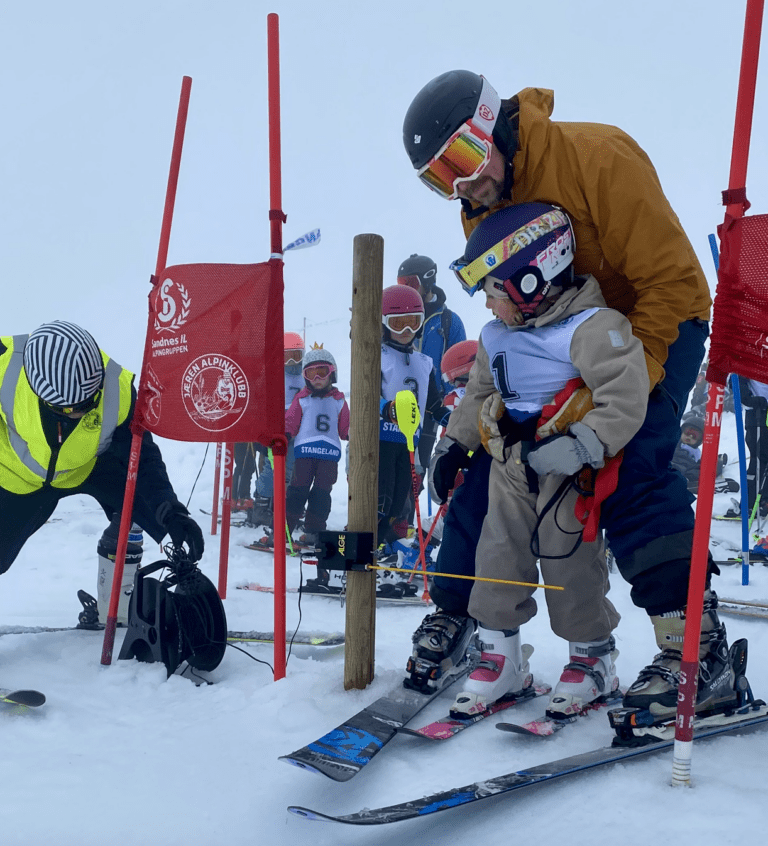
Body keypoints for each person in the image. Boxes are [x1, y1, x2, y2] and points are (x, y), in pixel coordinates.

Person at [402, 69, 741, 722]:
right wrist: (462, 437)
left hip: (652, 322)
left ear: (493, 123)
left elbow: (671, 282)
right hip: (557, 338)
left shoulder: (598, 156)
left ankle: (697, 648)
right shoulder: (484, 204)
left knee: (629, 462)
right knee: (493, 464)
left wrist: (612, 393)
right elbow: (504, 329)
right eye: (440, 178)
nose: (461, 185)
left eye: (464, 159)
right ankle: (458, 615)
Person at [416, 204, 646, 718]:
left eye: (494, 292)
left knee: (568, 558)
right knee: (496, 555)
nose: (489, 307)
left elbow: (625, 394)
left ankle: (593, 658)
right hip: (510, 463)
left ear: (531, 280)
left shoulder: (592, 326)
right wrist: (454, 446)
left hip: (568, 465)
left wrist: (587, 443)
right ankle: (501, 658)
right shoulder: (496, 337)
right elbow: (478, 393)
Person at [0, 321, 205, 636]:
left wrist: (169, 508)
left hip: (91, 465)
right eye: (73, 408)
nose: (83, 413)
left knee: (148, 508)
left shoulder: (118, 390)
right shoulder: (5, 369)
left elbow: (143, 457)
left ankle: (137, 600)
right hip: (17, 476)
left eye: (90, 401)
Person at [376, 285, 434, 595]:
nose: (406, 331)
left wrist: (452, 413)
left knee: (402, 498)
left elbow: (434, 400)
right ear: (382, 324)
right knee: (381, 498)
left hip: (409, 441)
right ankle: (369, 546)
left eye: (413, 321)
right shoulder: (378, 356)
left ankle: (389, 550)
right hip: (383, 440)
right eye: (398, 324)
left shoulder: (424, 362)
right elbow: (365, 394)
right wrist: (386, 409)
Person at [396, 254, 466, 487]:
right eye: (401, 283)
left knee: (417, 466)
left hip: (431, 406)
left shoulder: (448, 321)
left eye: (410, 283)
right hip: (398, 401)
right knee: (394, 462)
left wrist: (449, 401)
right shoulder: (398, 316)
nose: (406, 289)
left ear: (427, 281)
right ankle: (389, 517)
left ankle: (406, 519)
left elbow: (460, 366)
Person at [282, 344, 349, 547]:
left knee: (321, 494)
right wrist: (283, 436)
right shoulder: (302, 399)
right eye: (311, 374)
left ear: (332, 374)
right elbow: (290, 422)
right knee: (297, 491)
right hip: (305, 453)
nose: (317, 379)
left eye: (322, 372)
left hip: (328, 455)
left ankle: (314, 530)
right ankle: (283, 529)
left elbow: (345, 429)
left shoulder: (338, 401)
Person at [249, 331, 305, 527]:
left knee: (293, 471)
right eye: (286, 357)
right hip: (279, 433)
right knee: (272, 470)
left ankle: (285, 508)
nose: (291, 363)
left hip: (300, 434)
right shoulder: (275, 376)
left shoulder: (306, 376)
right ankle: (261, 507)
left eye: (296, 356)